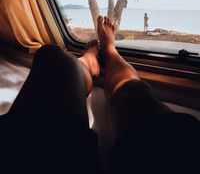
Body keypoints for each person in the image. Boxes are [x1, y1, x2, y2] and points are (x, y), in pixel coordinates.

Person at [0, 16, 199, 174]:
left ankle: (88, 61)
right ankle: (110, 51)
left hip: (24, 154)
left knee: (50, 55)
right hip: (180, 155)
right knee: (132, 91)